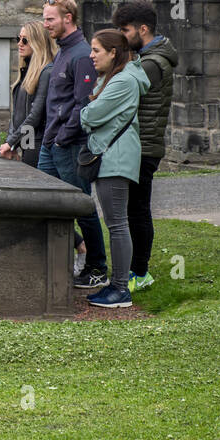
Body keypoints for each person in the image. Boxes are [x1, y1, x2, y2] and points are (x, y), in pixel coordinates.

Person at [112, 0, 179, 293]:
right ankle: (135, 269)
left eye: (125, 30)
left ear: (143, 29)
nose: (121, 36)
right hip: (142, 146)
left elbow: (123, 97)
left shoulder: (151, 63)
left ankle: (139, 272)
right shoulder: (147, 57)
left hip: (144, 147)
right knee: (133, 209)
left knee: (137, 210)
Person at [39, 0, 104, 288]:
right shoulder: (64, 50)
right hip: (52, 143)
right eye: (44, 18)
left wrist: (62, 139)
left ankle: (97, 267)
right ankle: (56, 260)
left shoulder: (80, 53)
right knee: (46, 202)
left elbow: (83, 104)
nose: (45, 24)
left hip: (69, 144)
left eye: (50, 18)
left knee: (81, 206)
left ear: (68, 18)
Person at [79, 29, 148, 308]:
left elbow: (91, 114)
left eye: (96, 50)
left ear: (113, 53)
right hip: (112, 157)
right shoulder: (117, 78)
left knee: (118, 225)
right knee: (117, 223)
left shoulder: (124, 81)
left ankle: (120, 289)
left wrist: (88, 112)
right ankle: (117, 286)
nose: (91, 55)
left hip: (115, 159)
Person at [0, 22, 55, 169]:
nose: (19, 44)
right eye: (18, 38)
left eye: (25, 40)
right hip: (27, 138)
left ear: (38, 42)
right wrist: (12, 142)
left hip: (37, 139)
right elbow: (17, 114)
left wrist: (11, 142)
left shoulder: (46, 72)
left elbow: (35, 115)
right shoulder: (26, 71)